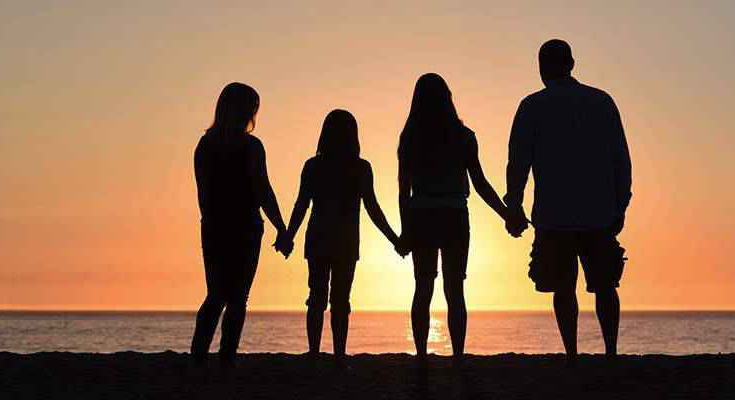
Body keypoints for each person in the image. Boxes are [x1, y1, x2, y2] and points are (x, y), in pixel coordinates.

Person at [504, 39, 632, 366]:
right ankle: (611, 352)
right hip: (598, 210)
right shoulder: (602, 102)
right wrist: (621, 203)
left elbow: (518, 162)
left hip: (553, 213)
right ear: (572, 63)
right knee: (605, 285)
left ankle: (572, 354)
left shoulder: (532, 106)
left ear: (543, 67)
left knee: (564, 288)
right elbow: (621, 158)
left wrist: (514, 204)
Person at [398, 73, 511, 365]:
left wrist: (405, 230)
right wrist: (506, 214)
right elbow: (481, 184)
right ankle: (458, 355)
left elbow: (403, 192)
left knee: (423, 287)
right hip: (454, 216)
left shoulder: (410, 138)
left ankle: (422, 354)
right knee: (455, 289)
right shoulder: (463, 136)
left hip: (422, 214)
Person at [281, 109, 402, 368]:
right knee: (340, 299)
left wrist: (289, 236)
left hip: (319, 239)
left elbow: (301, 205)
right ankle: (338, 355)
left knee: (316, 296)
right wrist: (395, 239)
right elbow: (373, 209)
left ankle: (315, 354)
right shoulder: (360, 168)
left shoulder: (313, 166)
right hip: (345, 241)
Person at [190, 82, 290, 368]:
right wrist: (280, 228)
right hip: (237, 227)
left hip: (223, 227)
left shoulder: (208, 145)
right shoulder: (244, 146)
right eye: (251, 107)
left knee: (222, 295)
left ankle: (206, 357)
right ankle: (220, 358)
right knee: (231, 297)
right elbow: (262, 191)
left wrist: (280, 228)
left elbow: (207, 194)